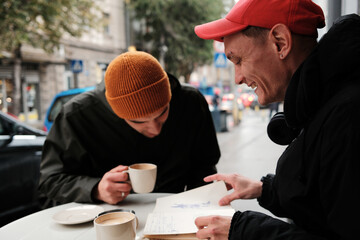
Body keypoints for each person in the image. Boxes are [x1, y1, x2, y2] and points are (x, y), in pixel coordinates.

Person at [193, 0, 360, 239]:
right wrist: (264, 190)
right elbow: (320, 195)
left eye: (239, 60)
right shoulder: (321, 98)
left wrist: (245, 231)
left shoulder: (348, 117)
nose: (237, 78)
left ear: (280, 42)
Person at [39, 51, 220, 206]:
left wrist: (201, 206)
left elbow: (204, 166)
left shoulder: (190, 102)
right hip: (105, 220)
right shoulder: (77, 116)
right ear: (117, 113)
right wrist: (95, 189)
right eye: (138, 122)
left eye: (162, 114)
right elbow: (50, 180)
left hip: (176, 214)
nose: (155, 129)